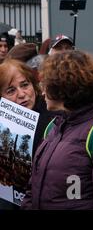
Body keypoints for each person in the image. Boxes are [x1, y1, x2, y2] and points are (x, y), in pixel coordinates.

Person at [21, 50, 93, 209]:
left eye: (45, 83)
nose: (42, 91)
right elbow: (32, 190)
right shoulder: (53, 128)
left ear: (63, 85)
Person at [0, 59, 55, 209]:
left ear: (34, 86)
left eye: (25, 85)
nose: (22, 94)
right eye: (11, 90)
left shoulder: (54, 119)